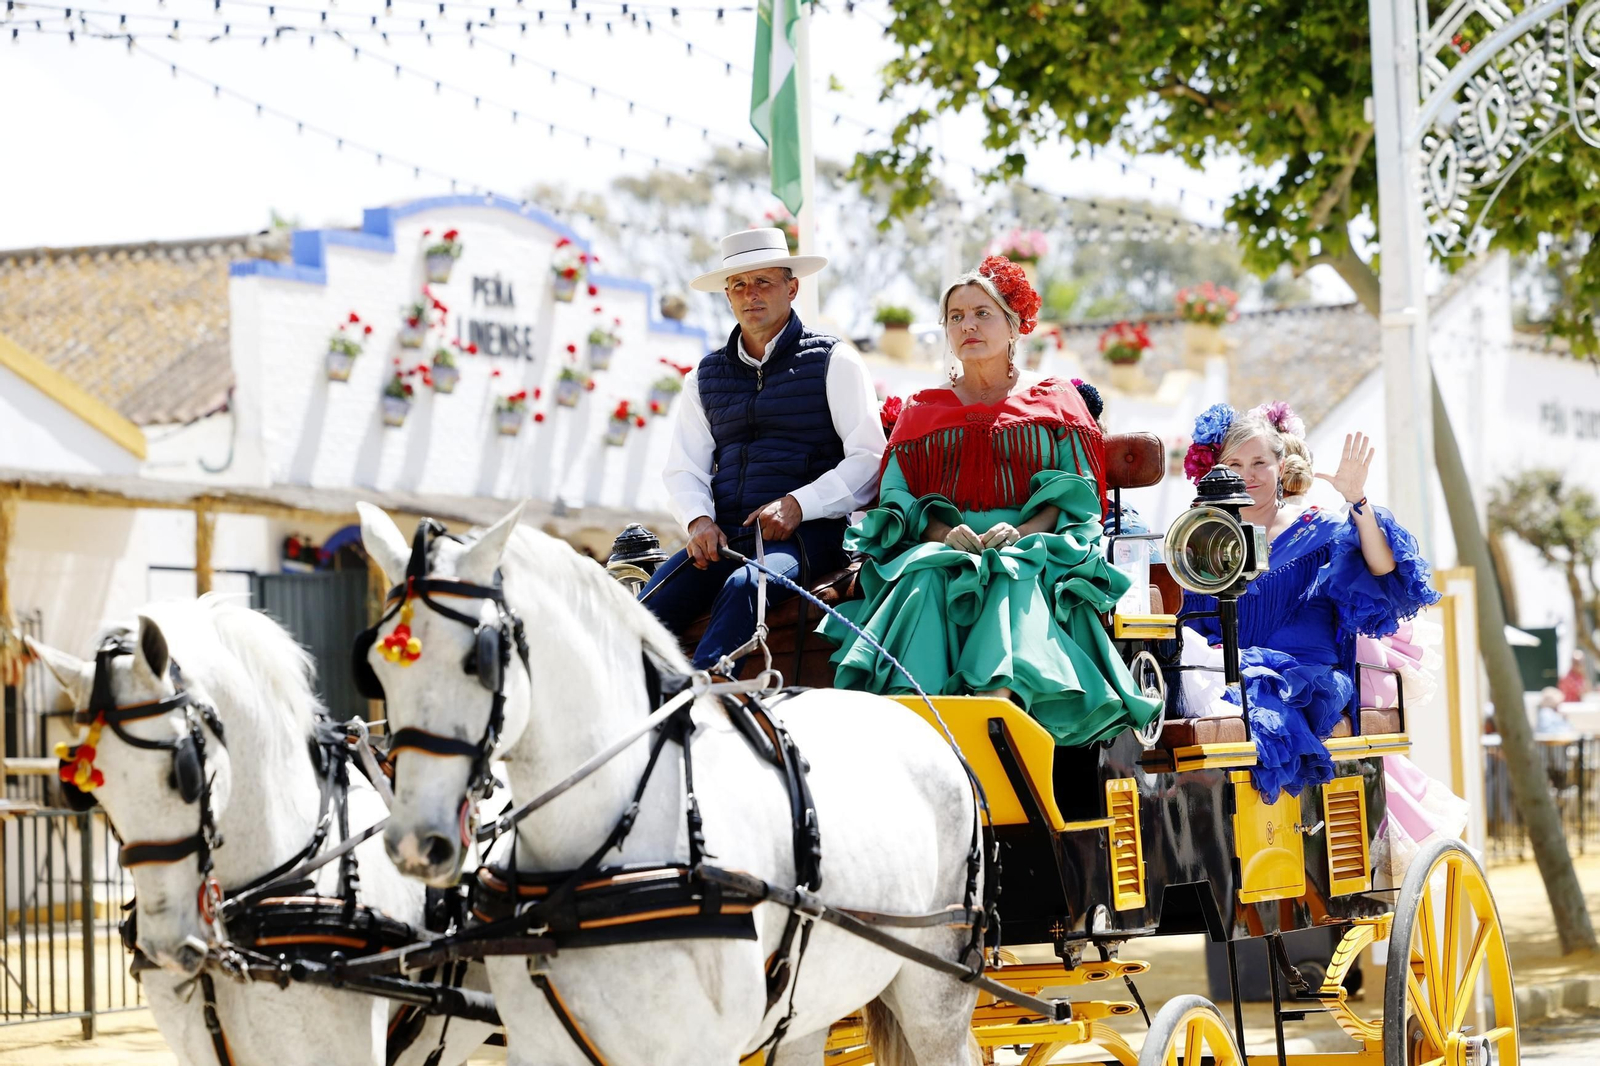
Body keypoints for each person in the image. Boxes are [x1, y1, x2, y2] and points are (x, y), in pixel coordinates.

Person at [819, 256, 1161, 745]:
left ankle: (996, 726)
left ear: (1014, 325)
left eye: (982, 313)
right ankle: (918, 729)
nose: (968, 326)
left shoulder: (1055, 399)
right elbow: (894, 494)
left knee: (1010, 569)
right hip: (942, 544)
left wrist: (1022, 531)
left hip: (1037, 543)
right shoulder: (921, 408)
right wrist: (941, 532)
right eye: (956, 317)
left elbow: (1078, 489)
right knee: (925, 572)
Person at [638, 228, 886, 671]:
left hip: (809, 537)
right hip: (723, 537)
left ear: (792, 288)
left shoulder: (835, 360)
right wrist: (698, 520)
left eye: (763, 282)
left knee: (744, 586)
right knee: (641, 612)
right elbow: (684, 468)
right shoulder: (704, 376)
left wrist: (798, 504)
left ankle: (709, 694)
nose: (749, 294)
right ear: (727, 297)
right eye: (738, 285)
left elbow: (869, 461)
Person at [1178, 402, 1441, 799]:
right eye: (1235, 464)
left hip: (1303, 680)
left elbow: (1383, 568)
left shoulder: (1318, 528)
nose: (1248, 475)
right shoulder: (1206, 538)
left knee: (1258, 714)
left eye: (1259, 463)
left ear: (1281, 467)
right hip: (1227, 671)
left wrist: (1357, 499)